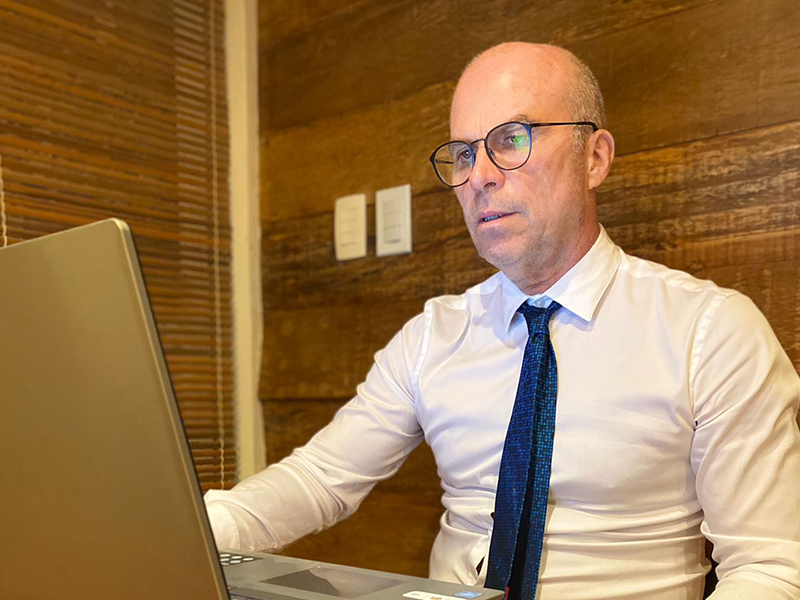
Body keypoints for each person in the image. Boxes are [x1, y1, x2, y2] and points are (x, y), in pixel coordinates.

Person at [205, 43, 800, 599]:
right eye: (465, 153)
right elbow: (318, 480)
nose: (480, 177)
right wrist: (194, 524)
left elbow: (769, 566)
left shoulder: (708, 332)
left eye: (511, 139)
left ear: (594, 158)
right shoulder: (433, 336)